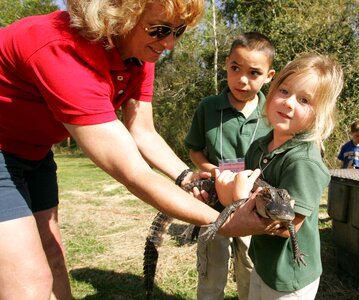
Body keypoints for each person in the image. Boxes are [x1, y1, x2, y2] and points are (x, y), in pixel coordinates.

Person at [0, 1, 276, 299]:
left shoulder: (140, 55)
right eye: (160, 30)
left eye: (177, 31)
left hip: (35, 153)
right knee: (31, 282)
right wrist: (225, 222)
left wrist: (185, 176)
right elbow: (134, 173)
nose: (169, 43)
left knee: (53, 258)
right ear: (119, 15)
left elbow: (142, 131)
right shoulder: (64, 51)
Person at [216, 53, 344, 299]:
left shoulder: (303, 162)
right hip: (263, 262)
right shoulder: (258, 147)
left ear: (319, 114)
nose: (289, 103)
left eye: (305, 100)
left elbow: (287, 226)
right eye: (284, 91)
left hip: (290, 276)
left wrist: (236, 201)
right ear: (271, 91)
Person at [185, 32, 276, 299]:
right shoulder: (209, 107)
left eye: (254, 73)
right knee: (212, 268)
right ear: (226, 64)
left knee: (250, 265)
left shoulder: (273, 113)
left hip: (255, 206)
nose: (242, 79)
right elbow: (195, 150)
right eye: (235, 68)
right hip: (214, 204)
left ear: (269, 76)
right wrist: (214, 172)